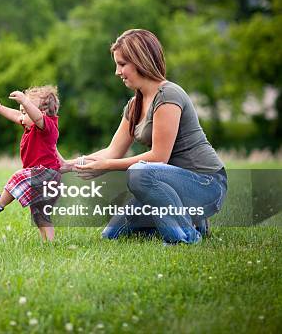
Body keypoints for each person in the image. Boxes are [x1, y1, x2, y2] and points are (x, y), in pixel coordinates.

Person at [71, 29, 227, 244]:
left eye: (122, 64)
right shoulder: (134, 105)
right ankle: (190, 220)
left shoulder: (168, 95)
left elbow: (158, 158)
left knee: (140, 173)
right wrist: (64, 165)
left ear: (140, 61)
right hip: (168, 188)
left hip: (205, 184)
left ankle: (184, 237)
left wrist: (107, 165)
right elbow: (112, 151)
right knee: (112, 234)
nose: (117, 72)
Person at [0, 86, 62, 241]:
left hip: (46, 174)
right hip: (44, 177)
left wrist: (25, 101)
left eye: (25, 112)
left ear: (42, 113)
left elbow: (37, 117)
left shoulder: (48, 127)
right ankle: (49, 242)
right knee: (39, 214)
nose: (21, 116)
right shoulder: (31, 126)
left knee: (19, 176)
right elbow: (16, 115)